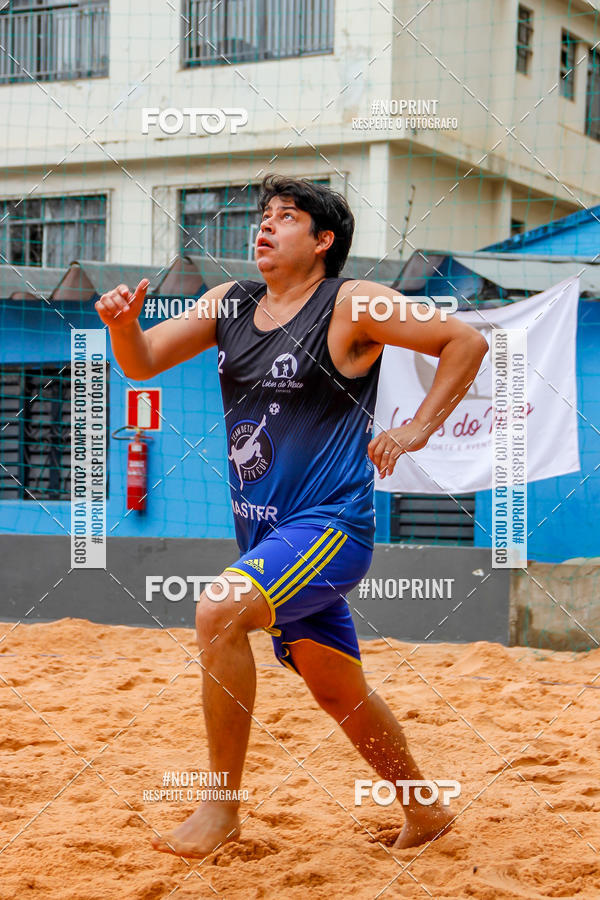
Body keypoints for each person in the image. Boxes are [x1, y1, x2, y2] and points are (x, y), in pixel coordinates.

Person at [95, 174, 488, 858]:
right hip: (271, 536)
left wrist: (419, 428)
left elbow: (466, 342)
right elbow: (143, 362)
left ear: (324, 240)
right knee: (339, 692)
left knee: (218, 610)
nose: (264, 227)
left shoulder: (353, 303)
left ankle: (220, 812)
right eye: (262, 217)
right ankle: (426, 812)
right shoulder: (230, 303)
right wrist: (123, 324)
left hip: (331, 528)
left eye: (285, 217)